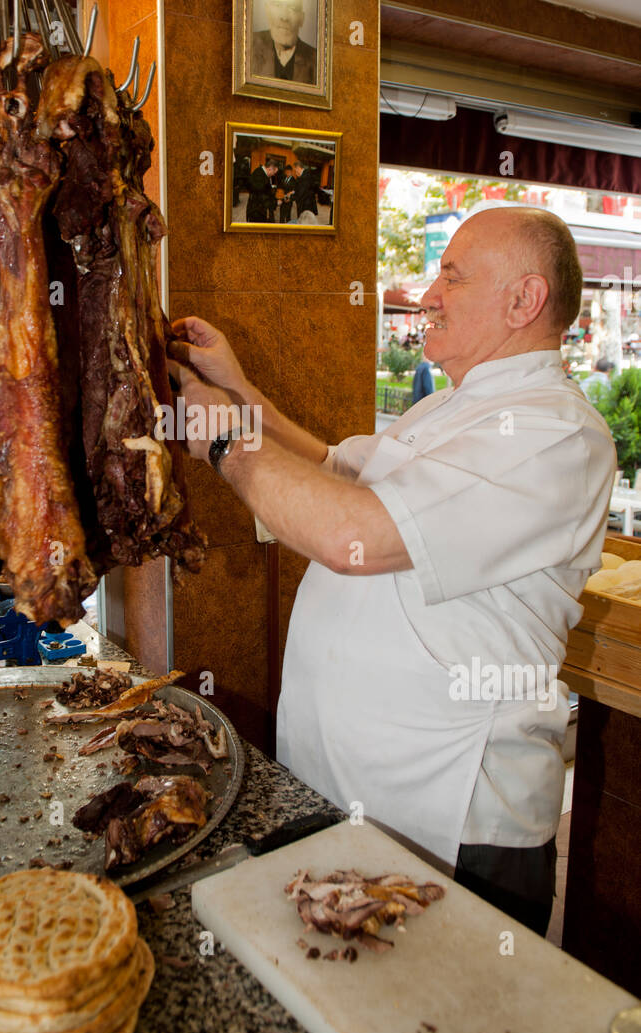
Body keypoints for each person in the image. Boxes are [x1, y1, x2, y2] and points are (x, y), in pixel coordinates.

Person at [168, 207, 616, 936]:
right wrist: (240, 391)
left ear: (524, 300)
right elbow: (336, 471)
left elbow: (356, 533)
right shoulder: (449, 408)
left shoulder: (554, 433)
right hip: (344, 793)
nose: (428, 292)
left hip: (445, 821)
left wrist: (225, 445)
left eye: (453, 274)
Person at [251, 0, 317, 84]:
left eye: (292, 8)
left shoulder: (316, 61)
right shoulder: (248, 45)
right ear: (267, 11)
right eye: (277, 5)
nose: (284, 17)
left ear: (302, 18)